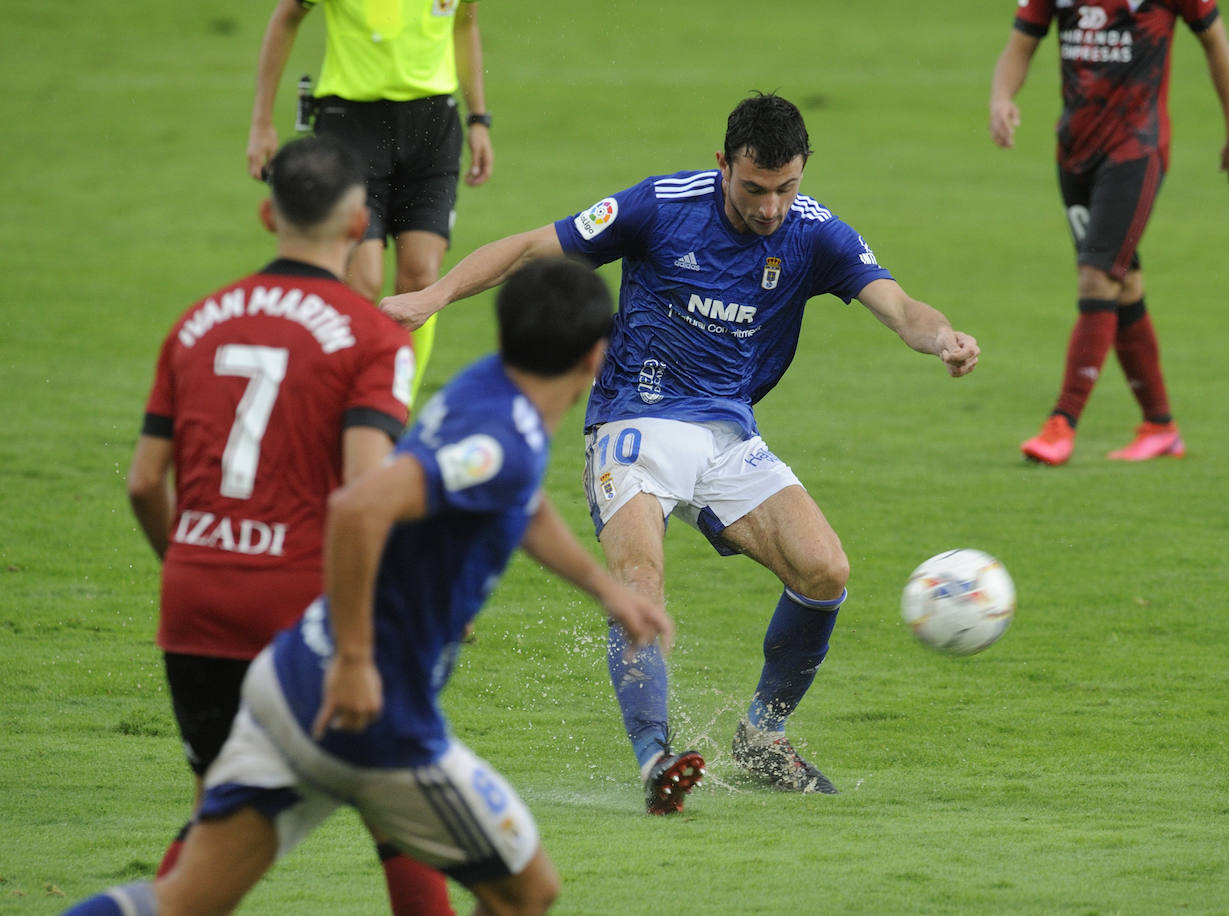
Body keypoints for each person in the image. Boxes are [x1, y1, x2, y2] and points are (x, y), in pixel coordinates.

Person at [380, 92, 980, 814]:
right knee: (640, 576)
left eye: (786, 188)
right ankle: (655, 758)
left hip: (728, 434)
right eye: (754, 188)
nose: (770, 208)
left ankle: (762, 735)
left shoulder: (816, 233)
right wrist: (431, 296)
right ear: (723, 164)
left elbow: (901, 306)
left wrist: (941, 337)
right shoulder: (661, 207)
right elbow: (533, 247)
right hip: (633, 422)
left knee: (825, 571)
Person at [68, 257, 673, 916]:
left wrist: (607, 591)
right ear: (595, 355)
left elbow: (517, 502)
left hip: (291, 676)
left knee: (182, 901)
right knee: (528, 891)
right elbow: (356, 510)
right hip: (372, 713)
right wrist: (355, 663)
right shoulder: (505, 439)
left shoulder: (486, 390)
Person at [121, 135, 470, 913]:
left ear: (264, 212)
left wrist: (188, 562)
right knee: (403, 819)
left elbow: (145, 480)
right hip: (304, 613)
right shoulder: (373, 337)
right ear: (358, 225)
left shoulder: (195, 324)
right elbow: (361, 493)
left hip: (195, 603)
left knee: (220, 823)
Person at [989, 0, 1229, 465]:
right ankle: (1160, 426)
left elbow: (1216, 42)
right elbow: (1021, 45)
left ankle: (1061, 424)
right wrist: (1001, 97)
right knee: (1122, 280)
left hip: (1136, 151)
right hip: (1074, 153)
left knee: (1097, 277)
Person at [246, 0, 495, 403]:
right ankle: (345, 401)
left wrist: (479, 119)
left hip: (433, 127)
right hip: (350, 126)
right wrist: (261, 122)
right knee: (361, 282)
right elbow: (287, 15)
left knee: (421, 278)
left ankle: (394, 409)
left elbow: (465, 24)